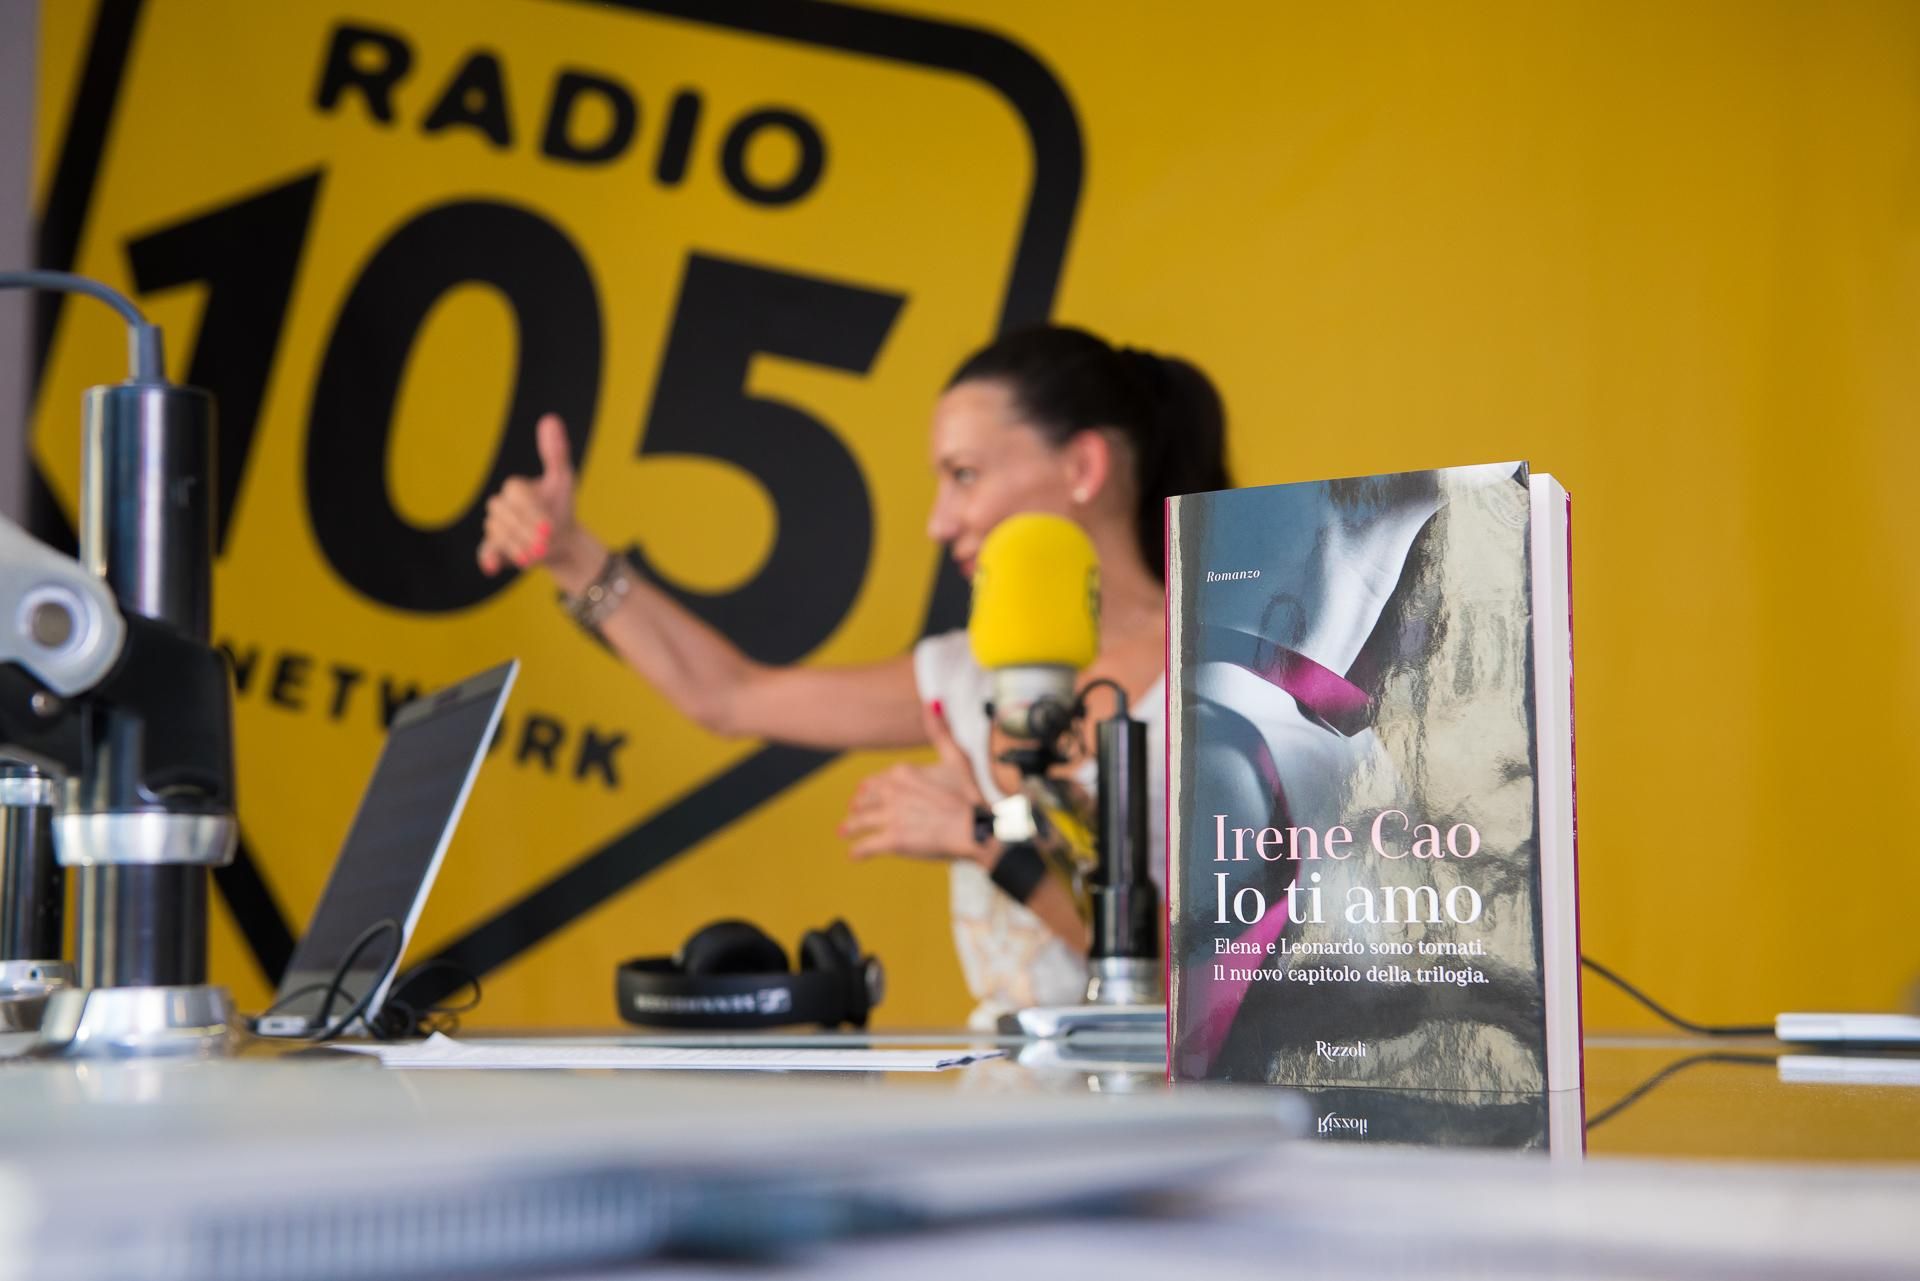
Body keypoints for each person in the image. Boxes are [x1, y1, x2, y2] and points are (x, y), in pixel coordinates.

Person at [477, 325, 1230, 1024]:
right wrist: (573, 558)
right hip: (1007, 1093)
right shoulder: (967, 673)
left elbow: (1225, 979)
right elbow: (731, 696)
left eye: (965, 475)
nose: (939, 522)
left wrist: (985, 836)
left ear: (1083, 467)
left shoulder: (1233, 674)